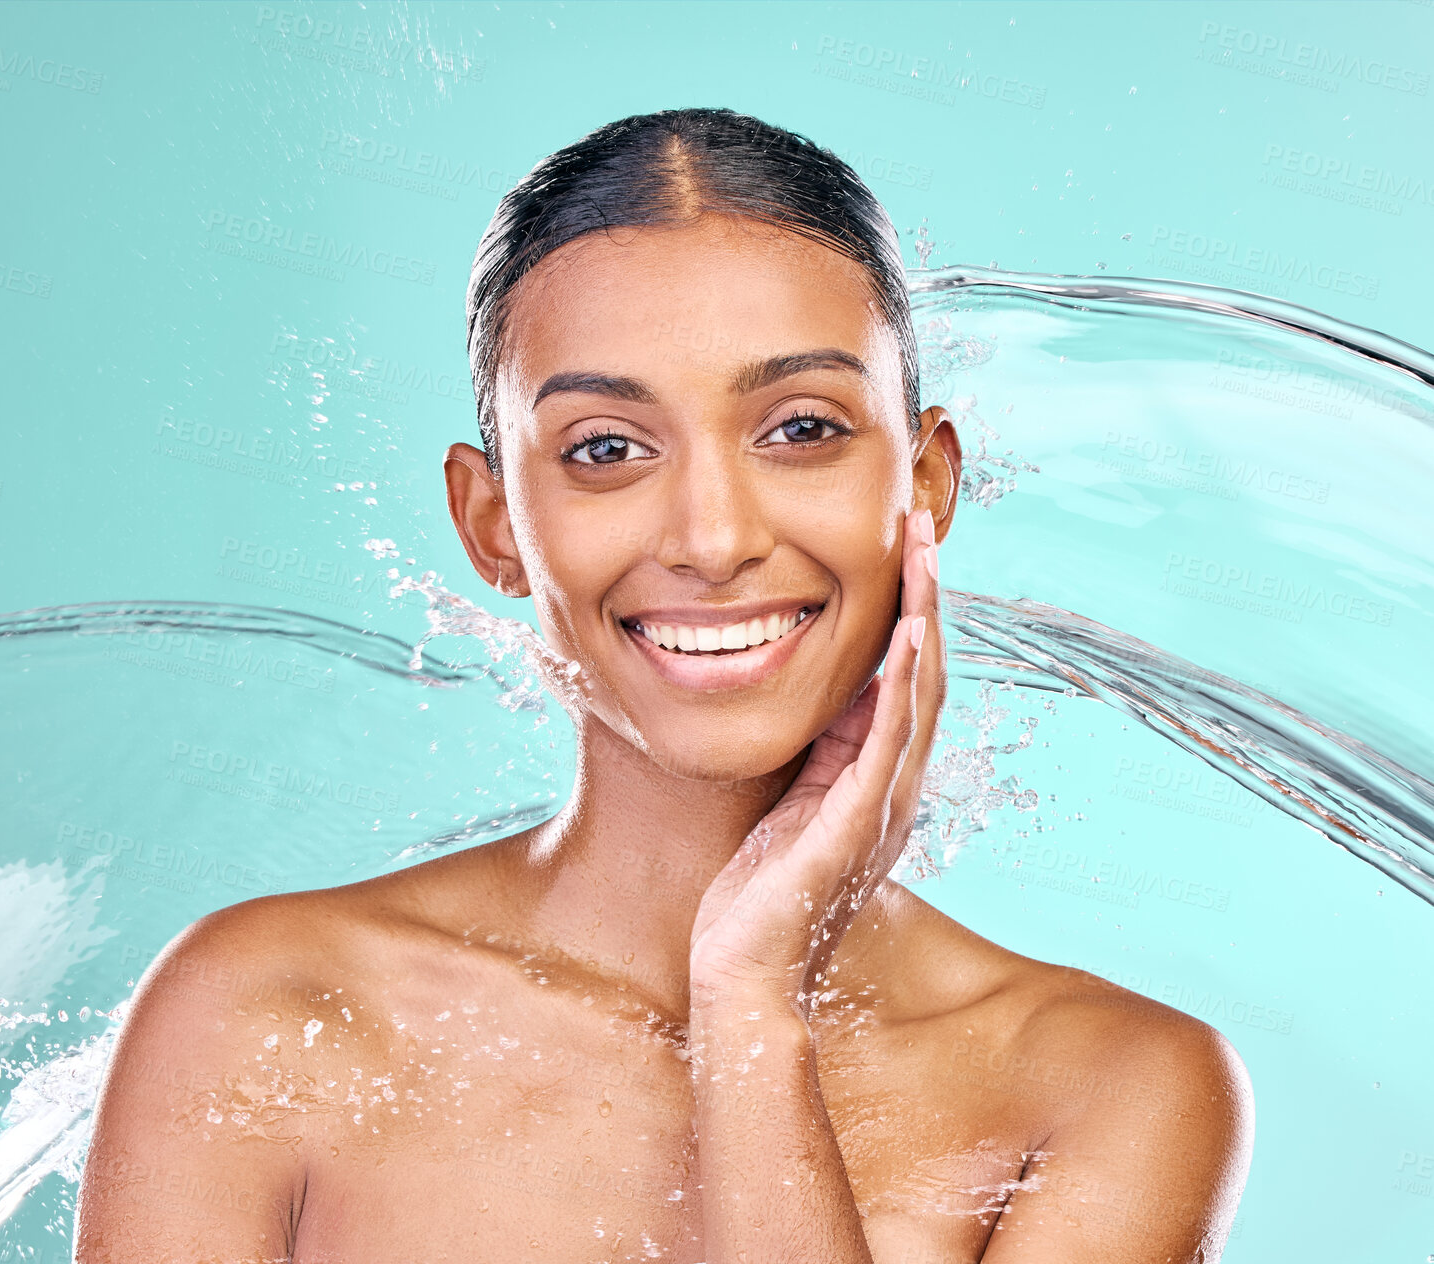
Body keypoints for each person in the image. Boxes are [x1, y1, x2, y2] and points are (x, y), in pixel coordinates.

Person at [74, 107, 1253, 1264]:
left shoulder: (1111, 1087)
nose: (710, 537)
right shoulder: (264, 1013)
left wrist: (750, 1001)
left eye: (798, 427)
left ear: (929, 481)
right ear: (489, 522)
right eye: (604, 448)